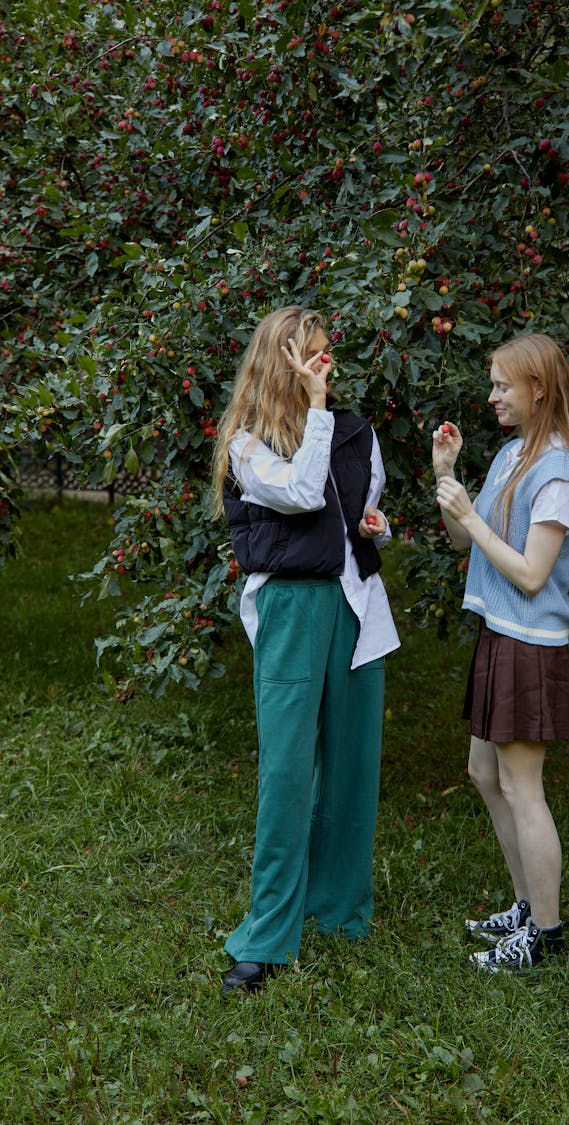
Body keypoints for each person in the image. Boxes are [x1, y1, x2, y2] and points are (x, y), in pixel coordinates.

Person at [211, 305, 400, 994]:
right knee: (288, 772)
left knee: (352, 768)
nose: (324, 365)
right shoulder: (246, 441)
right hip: (292, 606)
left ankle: (339, 911)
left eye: (327, 354)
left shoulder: (358, 433)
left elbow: (359, 511)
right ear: (280, 359)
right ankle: (265, 936)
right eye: (310, 355)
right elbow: (297, 493)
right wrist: (317, 409)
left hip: (358, 607)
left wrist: (374, 523)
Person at [432, 333, 569, 973]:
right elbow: (463, 545)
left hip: (531, 644)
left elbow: (531, 575)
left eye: (503, 385)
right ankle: (526, 905)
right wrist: (449, 476)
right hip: (500, 632)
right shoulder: (512, 455)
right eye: (494, 384)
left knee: (523, 789)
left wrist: (472, 518)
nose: (494, 396)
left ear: (538, 389)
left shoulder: (557, 472)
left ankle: (546, 936)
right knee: (484, 774)